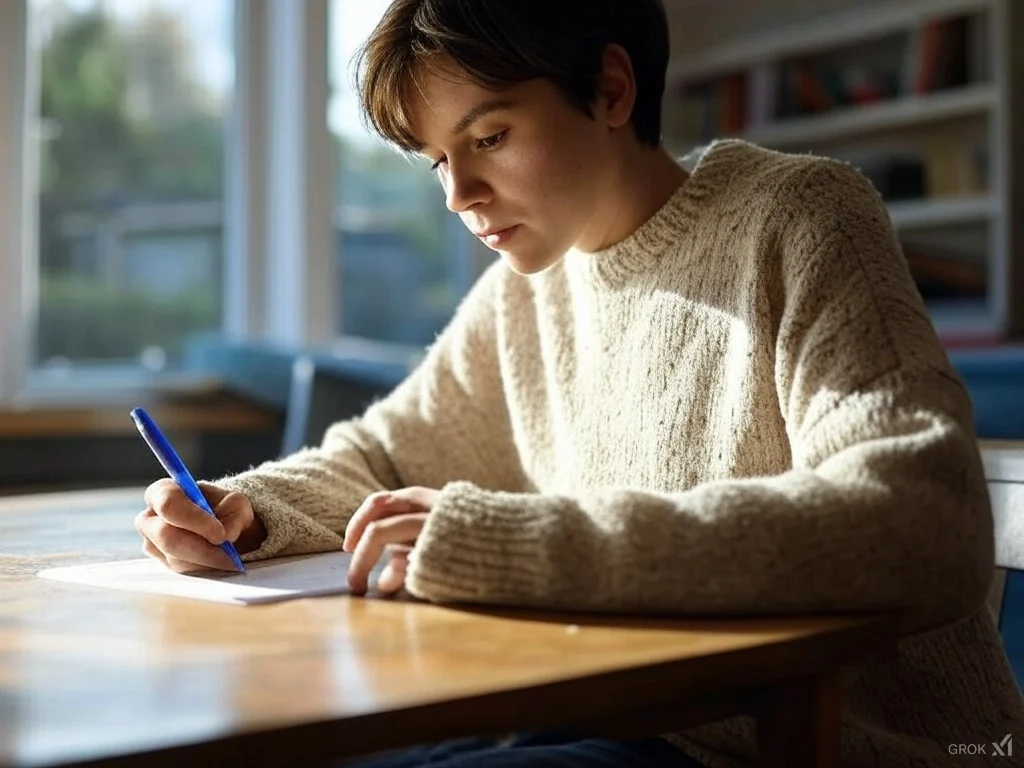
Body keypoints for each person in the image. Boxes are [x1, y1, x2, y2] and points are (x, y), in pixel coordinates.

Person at [134, 0, 1024, 766]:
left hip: (810, 744)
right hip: (618, 723)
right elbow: (380, 455)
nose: (459, 195)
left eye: (488, 137)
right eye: (440, 160)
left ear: (610, 89)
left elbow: (924, 526)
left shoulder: (801, 216)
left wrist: (507, 546)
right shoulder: (527, 293)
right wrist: (246, 507)